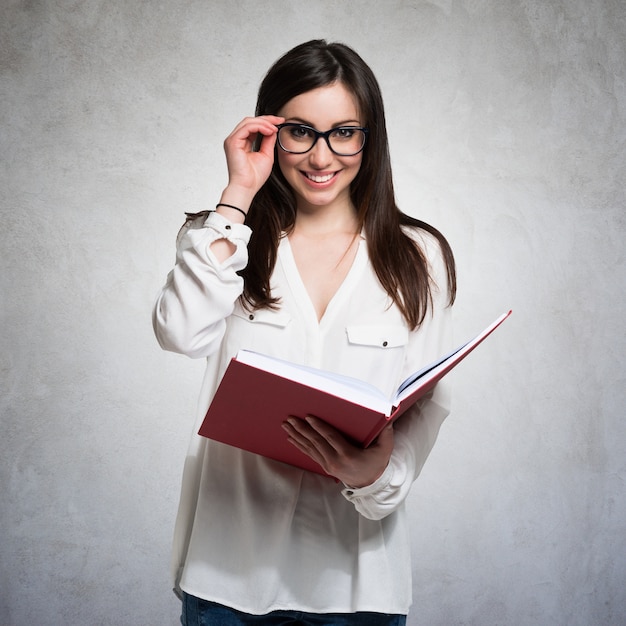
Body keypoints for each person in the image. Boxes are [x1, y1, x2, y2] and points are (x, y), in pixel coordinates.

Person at [153, 39, 456, 626]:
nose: (322, 157)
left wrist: (376, 478)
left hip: (357, 584)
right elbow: (180, 334)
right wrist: (238, 192)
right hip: (227, 580)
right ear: (270, 132)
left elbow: (425, 407)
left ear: (371, 139)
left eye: (344, 132)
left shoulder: (419, 256)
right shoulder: (222, 234)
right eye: (300, 131)